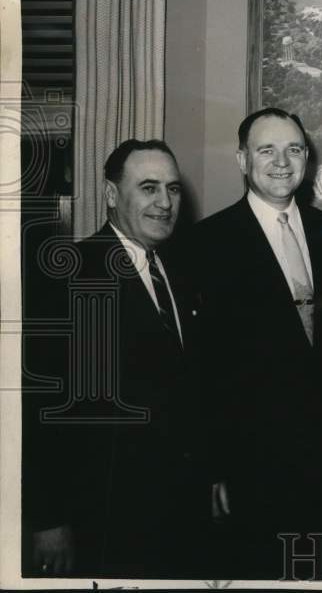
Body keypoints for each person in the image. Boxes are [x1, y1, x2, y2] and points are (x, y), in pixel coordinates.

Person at [190, 107, 322, 578]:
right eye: (266, 150)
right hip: (250, 463)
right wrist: (214, 469)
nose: (281, 162)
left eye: (293, 149)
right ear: (243, 160)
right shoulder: (208, 243)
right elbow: (203, 371)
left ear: (307, 159)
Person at [23, 140, 208, 578]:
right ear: (111, 195)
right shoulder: (70, 275)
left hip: (179, 513)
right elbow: (40, 410)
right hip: (105, 519)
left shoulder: (181, 274)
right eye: (148, 188)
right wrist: (49, 521)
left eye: (173, 188)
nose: (165, 203)